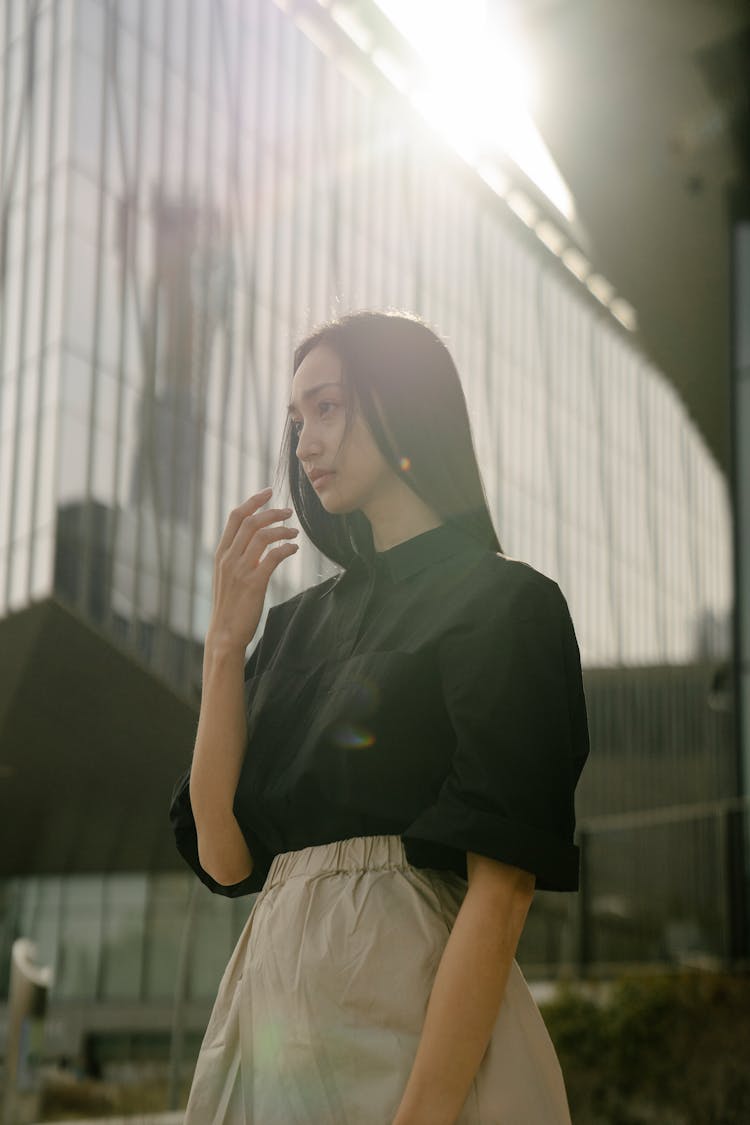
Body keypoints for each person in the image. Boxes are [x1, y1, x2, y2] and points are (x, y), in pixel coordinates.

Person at [169, 310, 590, 1124]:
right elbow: (224, 857)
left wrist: (422, 1112)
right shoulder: (291, 628)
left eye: (328, 408)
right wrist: (225, 649)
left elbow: (501, 891)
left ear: (403, 405)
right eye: (296, 419)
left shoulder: (507, 606)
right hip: (272, 1031)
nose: (305, 442)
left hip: (415, 1035)